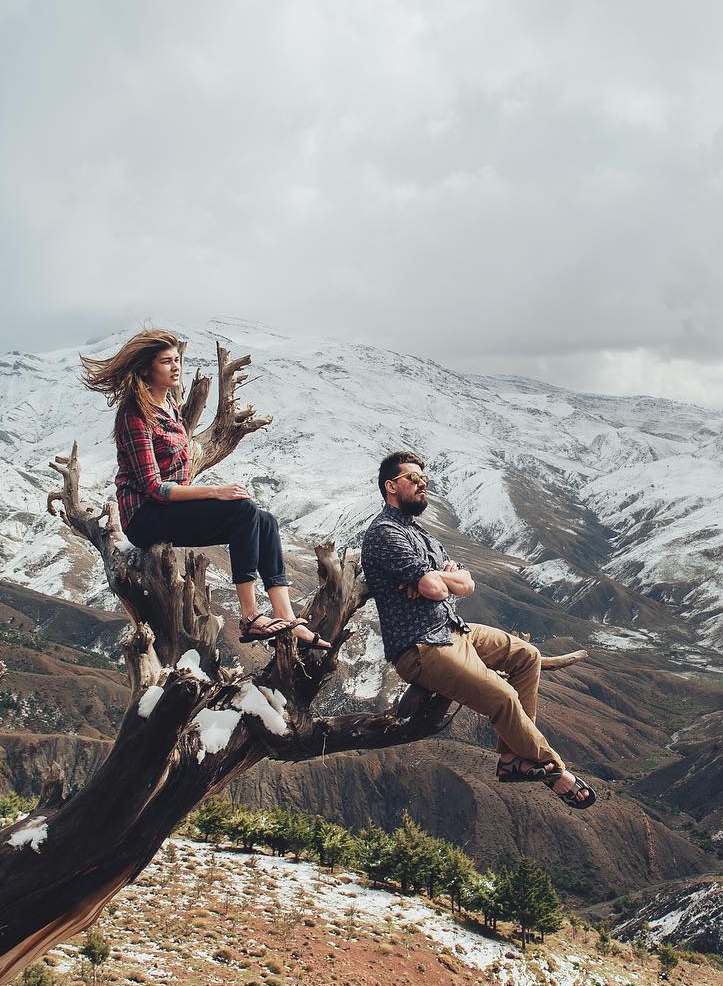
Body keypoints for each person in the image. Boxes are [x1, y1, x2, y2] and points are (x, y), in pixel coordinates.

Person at [360, 450, 595, 809]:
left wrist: (436, 577)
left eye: (426, 480)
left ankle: (511, 758)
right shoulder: (384, 533)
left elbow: (466, 583)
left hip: (454, 629)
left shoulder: (419, 533)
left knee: (526, 655)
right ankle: (554, 769)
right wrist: (439, 579)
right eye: (414, 479)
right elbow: (438, 589)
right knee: (502, 698)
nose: (424, 486)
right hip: (421, 647)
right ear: (391, 486)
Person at [81, 329, 329, 649]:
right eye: (166, 362)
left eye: (177, 360)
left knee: (264, 520)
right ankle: (250, 617)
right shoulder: (134, 416)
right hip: (143, 517)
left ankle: (286, 618)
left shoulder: (169, 403)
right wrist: (214, 492)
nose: (176, 367)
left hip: (168, 510)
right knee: (242, 511)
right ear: (145, 369)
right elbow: (154, 488)